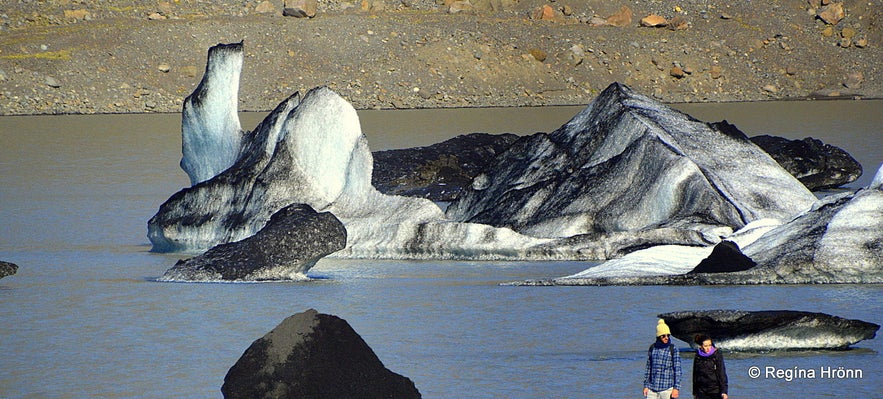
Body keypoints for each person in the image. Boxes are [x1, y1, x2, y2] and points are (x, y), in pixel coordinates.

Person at [644, 319, 682, 399]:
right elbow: (648, 368)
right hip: (652, 388)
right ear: (658, 336)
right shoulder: (652, 348)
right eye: (663, 336)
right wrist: (646, 386)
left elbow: (677, 370)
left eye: (668, 335)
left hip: (667, 388)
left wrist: (676, 388)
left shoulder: (673, 349)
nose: (666, 338)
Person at [692, 334, 728, 399]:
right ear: (701, 346)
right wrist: (695, 392)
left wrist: (724, 392)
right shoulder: (697, 356)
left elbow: (722, 373)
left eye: (710, 345)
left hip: (715, 390)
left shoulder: (717, 355)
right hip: (701, 390)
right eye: (705, 346)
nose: (708, 348)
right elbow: (695, 375)